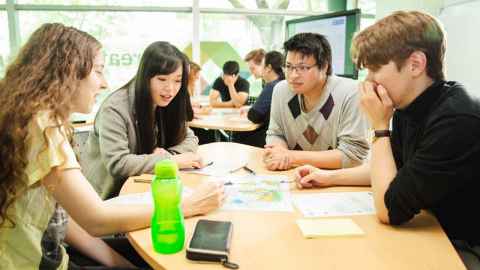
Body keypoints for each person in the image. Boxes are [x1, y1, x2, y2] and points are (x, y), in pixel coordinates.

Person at [0, 24, 224, 270]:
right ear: (68, 72)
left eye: (177, 81)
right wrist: (187, 205)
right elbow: (96, 218)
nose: (104, 83)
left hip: (60, 245)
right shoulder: (43, 127)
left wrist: (120, 263)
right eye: (98, 71)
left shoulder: (37, 120)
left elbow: (63, 220)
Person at [294, 11, 480, 269]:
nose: (368, 80)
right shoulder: (408, 105)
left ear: (415, 64)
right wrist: (328, 178)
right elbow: (391, 172)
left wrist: (380, 126)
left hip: (462, 246)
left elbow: (388, 209)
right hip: (431, 229)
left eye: (374, 69)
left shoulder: (456, 118)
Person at [82, 41, 207, 200]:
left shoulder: (169, 101)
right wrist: (170, 161)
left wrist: (165, 156)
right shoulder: (115, 108)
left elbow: (190, 138)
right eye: (162, 79)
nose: (170, 88)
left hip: (145, 187)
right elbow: (118, 164)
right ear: (146, 76)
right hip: (108, 198)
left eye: (177, 80)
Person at [264, 32, 369, 171]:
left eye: (303, 68)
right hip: (295, 176)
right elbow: (276, 134)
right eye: (288, 67)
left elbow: (353, 157)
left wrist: (291, 156)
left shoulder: (350, 93)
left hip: (339, 183)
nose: (293, 75)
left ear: (324, 66)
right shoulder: (281, 90)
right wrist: (280, 154)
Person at [235, 50, 285, 147]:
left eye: (262, 65)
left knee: (237, 135)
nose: (261, 70)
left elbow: (254, 116)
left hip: (269, 138)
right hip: (281, 137)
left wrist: (252, 110)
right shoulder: (283, 83)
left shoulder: (272, 86)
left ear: (269, 68)